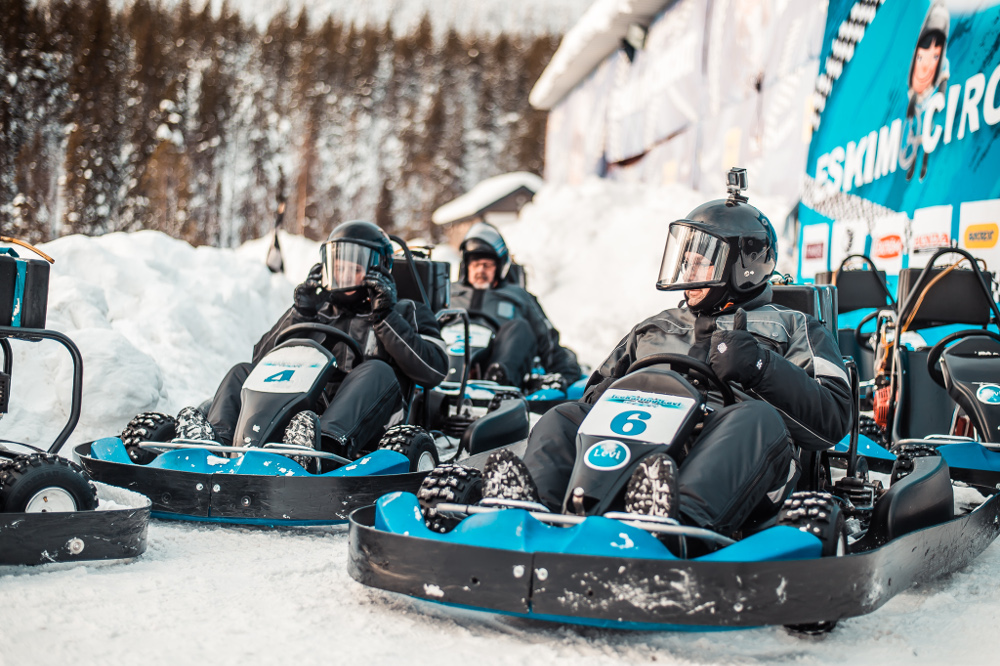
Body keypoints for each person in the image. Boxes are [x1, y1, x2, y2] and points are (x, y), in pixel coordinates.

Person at [481, 173, 852, 537]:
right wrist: (611, 391)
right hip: (643, 446)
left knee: (757, 417)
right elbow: (594, 394)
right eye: (684, 259)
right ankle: (533, 516)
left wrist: (760, 366)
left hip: (737, 456)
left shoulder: (795, 326)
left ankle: (678, 526)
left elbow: (833, 419)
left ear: (743, 266)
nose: (686, 272)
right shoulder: (656, 325)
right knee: (563, 416)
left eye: (700, 261)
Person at [154, 220, 448, 464]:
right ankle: (216, 448)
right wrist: (299, 312)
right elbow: (262, 362)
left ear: (377, 269)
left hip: (372, 421)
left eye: (354, 268)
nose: (344, 275)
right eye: (339, 266)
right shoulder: (317, 309)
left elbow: (434, 369)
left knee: (376, 370)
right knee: (241, 371)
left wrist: (384, 317)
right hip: (303, 423)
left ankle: (325, 451)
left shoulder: (405, 310)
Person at [448, 221, 581, 392]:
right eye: (475, 264)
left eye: (487, 265)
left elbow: (548, 342)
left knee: (520, 327)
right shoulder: (447, 292)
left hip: (497, 359)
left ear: (500, 267)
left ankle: (497, 384)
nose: (480, 270)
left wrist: (565, 373)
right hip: (444, 360)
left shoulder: (519, 296)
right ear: (466, 266)